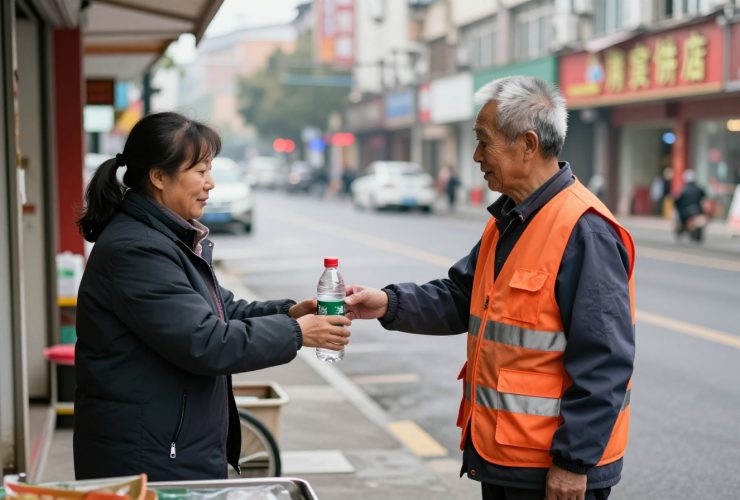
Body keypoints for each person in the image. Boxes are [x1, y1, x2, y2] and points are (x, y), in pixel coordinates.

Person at [344, 77, 635, 500]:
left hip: (552, 470)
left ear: (528, 144)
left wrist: (573, 463)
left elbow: (605, 360)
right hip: (506, 458)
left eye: (485, 142)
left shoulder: (584, 230)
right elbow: (461, 297)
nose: (478, 157)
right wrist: (388, 303)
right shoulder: (510, 220)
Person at [74, 112, 351, 481]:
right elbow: (206, 342)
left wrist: (291, 312)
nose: (211, 183)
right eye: (200, 171)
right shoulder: (138, 251)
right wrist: (298, 332)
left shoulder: (165, 240)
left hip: (169, 447)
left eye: (210, 170)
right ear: (158, 177)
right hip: (147, 459)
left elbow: (224, 310)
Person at [673, 169, 707, 241]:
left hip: (685, 211)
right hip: (697, 210)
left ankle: (682, 229)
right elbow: (704, 198)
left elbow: (677, 200)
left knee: (678, 218)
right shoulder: (699, 189)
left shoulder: (683, 189)